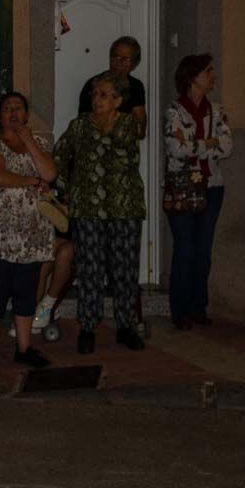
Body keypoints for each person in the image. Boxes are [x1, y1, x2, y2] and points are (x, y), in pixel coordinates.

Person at [55, 71, 147, 354]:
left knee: (125, 269)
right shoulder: (79, 126)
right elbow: (59, 156)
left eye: (105, 95)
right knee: (89, 268)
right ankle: (87, 327)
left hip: (124, 207)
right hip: (88, 208)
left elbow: (117, 139)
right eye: (95, 94)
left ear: (118, 100)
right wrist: (65, 187)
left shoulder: (129, 124)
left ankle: (125, 326)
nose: (97, 100)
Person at [0, 92, 56, 373]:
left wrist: (29, 141)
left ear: (26, 114)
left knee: (26, 293)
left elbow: (50, 173)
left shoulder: (41, 143)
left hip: (32, 236)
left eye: (19, 108)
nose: (13, 113)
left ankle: (24, 348)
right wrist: (33, 180)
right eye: (7, 108)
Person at [164, 54, 233, 330]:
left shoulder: (217, 111)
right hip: (182, 188)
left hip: (212, 187)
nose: (213, 75)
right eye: (208, 71)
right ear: (193, 77)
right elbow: (175, 148)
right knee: (185, 249)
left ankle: (197, 307)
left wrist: (194, 142)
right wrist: (208, 142)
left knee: (203, 251)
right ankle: (180, 310)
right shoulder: (174, 111)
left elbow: (227, 147)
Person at [78, 36, 147, 134]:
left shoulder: (135, 86)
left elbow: (140, 129)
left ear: (134, 64)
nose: (119, 63)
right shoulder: (94, 84)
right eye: (116, 57)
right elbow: (82, 125)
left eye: (126, 59)